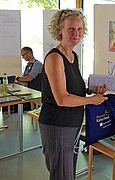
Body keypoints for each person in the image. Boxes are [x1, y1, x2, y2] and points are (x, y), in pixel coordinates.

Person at [38, 9, 107, 180]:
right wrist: (91, 100)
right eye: (71, 29)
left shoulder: (73, 56)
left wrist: (91, 90)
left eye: (79, 29)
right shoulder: (55, 58)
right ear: (60, 29)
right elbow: (62, 98)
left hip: (72, 123)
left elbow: (73, 88)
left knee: (67, 172)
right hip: (57, 124)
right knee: (62, 174)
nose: (76, 33)